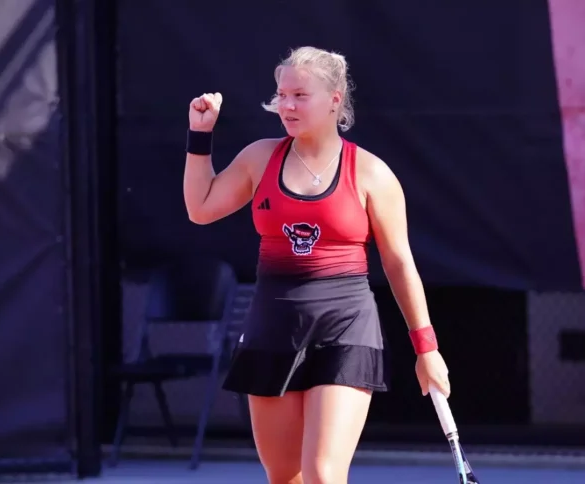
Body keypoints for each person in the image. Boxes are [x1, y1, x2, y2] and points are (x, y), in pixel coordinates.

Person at [182, 46, 451, 484]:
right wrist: (200, 135)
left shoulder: (370, 173)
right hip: (272, 328)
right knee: (285, 475)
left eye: (299, 95)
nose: (286, 105)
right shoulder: (259, 157)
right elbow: (201, 207)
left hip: (346, 329)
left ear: (334, 98)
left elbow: (400, 263)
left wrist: (427, 349)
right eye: (281, 94)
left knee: (324, 474)